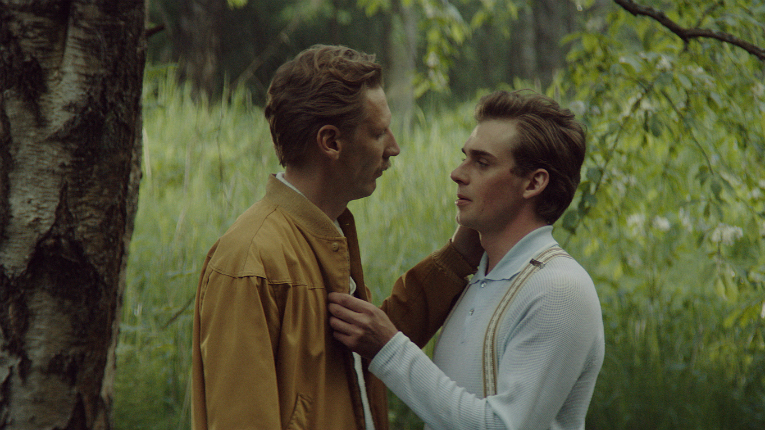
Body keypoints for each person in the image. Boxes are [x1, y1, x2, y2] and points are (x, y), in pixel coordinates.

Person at [191, 44, 481, 430]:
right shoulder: (250, 261)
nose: (394, 148)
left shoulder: (323, 233)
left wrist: (459, 255)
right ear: (330, 142)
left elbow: (367, 344)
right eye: (378, 133)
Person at [328, 89, 605, 430]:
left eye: (482, 162)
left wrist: (390, 348)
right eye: (465, 157)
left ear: (534, 183)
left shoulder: (559, 289)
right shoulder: (480, 279)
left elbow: (503, 426)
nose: (457, 173)